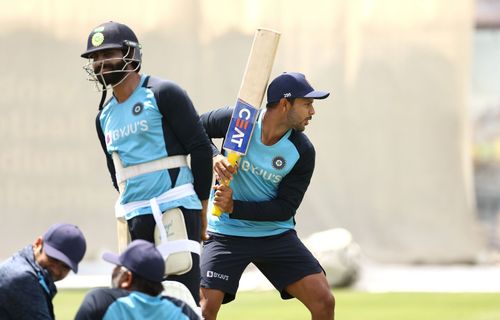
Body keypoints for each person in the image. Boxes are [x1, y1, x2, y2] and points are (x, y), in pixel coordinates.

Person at [80, 21, 213, 303]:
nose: (100, 63)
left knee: (182, 300)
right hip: (134, 216)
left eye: (107, 54)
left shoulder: (163, 93)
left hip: (175, 207)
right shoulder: (103, 117)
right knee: (137, 301)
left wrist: (202, 207)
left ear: (130, 54)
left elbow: (200, 149)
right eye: (95, 58)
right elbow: (116, 173)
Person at [199, 72, 335, 319]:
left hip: (274, 234)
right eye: (307, 104)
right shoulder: (239, 122)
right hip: (226, 234)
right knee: (204, 310)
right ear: (285, 104)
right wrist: (214, 156)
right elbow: (195, 128)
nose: (312, 112)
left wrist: (234, 206)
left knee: (323, 301)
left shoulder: (302, 150)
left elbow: (285, 208)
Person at [75, 239, 200, 320]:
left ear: (127, 278)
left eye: (118, 267)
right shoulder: (182, 310)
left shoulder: (100, 301)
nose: (113, 271)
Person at [0, 223, 87, 319]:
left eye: (65, 267)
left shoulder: (22, 266)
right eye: (53, 259)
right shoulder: (23, 278)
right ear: (38, 243)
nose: (56, 270)